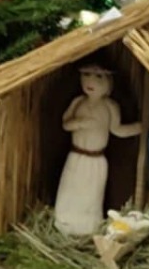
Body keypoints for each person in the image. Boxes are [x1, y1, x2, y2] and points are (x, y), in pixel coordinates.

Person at [53, 63, 140, 238]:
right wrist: (80, 123)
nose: (90, 81)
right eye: (86, 75)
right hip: (76, 157)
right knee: (70, 191)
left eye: (98, 77)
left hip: (95, 161)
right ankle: (64, 222)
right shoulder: (78, 102)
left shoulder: (109, 106)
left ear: (108, 82)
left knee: (90, 195)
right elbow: (66, 124)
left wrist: (140, 127)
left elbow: (117, 130)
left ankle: (87, 227)